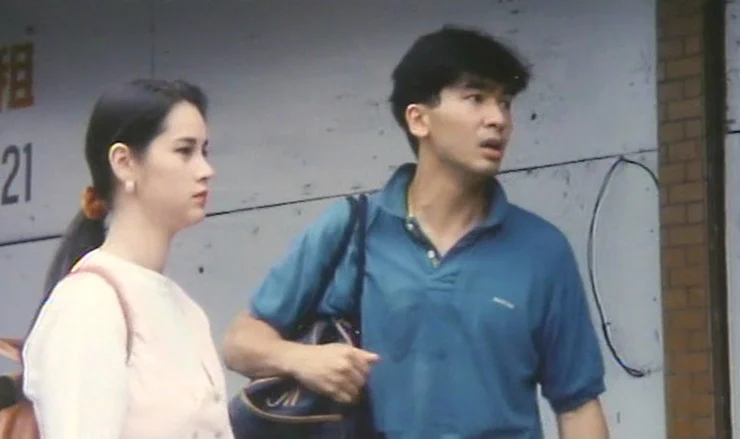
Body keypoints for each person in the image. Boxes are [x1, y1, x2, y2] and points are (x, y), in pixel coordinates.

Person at [221, 25, 610, 438]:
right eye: (475, 98)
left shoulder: (542, 250)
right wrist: (302, 360)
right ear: (419, 119)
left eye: (505, 102)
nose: (498, 119)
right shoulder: (354, 227)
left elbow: (578, 406)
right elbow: (240, 343)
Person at [21, 79, 235, 438]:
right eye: (184, 151)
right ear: (124, 163)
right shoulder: (89, 302)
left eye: (204, 151)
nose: (205, 169)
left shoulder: (188, 312)